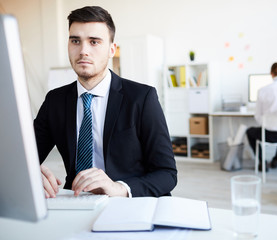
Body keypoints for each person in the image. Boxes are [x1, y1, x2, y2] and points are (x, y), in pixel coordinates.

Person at [34, 6, 177, 198]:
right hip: (76, 199)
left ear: (112, 50)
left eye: (94, 42)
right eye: (75, 41)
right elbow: (26, 156)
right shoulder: (55, 101)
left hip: (129, 201)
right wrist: (30, 172)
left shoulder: (142, 98)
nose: (83, 51)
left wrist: (120, 188)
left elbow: (167, 173)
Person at [246, 62, 277, 172]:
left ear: (271, 74)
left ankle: (262, 162)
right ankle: (276, 159)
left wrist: (267, 124)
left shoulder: (262, 90)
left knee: (250, 131)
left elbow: (257, 116)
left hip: (268, 134)